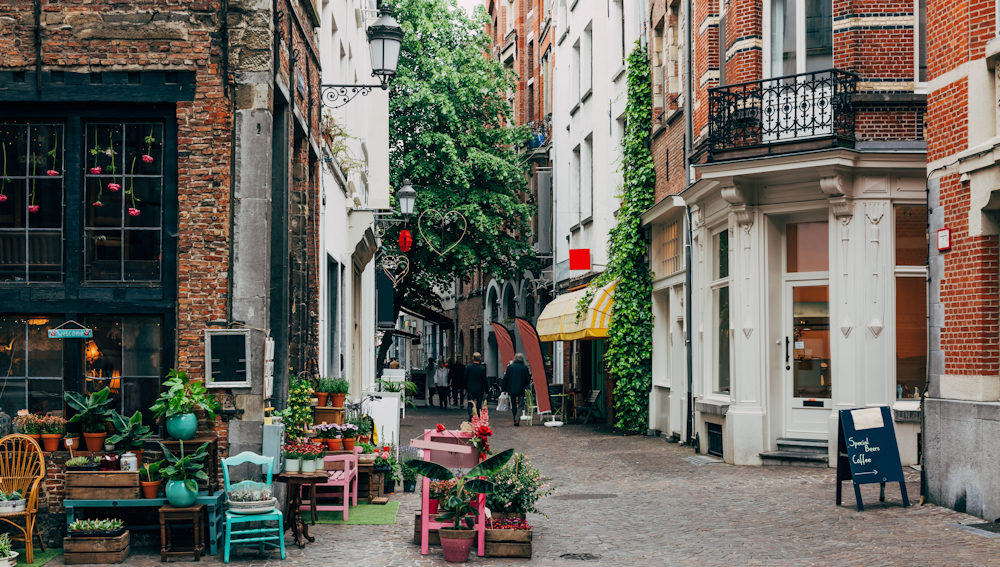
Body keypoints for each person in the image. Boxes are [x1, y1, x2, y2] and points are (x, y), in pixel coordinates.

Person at [501, 353, 532, 426]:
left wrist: (504, 388)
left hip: (511, 388)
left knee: (513, 404)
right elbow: (528, 378)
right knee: (520, 404)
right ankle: (517, 418)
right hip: (521, 388)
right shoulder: (524, 367)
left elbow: (506, 378)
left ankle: (515, 417)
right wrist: (524, 385)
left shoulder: (510, 367)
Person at [464, 352, 487, 420]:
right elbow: (484, 380)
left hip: (470, 388)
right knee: (478, 404)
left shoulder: (468, 367)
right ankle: (476, 415)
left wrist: (466, 387)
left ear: (472, 358)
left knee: (470, 403)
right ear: (480, 359)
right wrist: (486, 390)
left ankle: (471, 413)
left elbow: (465, 378)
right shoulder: (482, 368)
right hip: (479, 389)